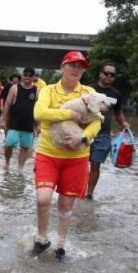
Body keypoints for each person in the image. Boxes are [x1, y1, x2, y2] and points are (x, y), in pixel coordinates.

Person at [31, 51, 100, 261]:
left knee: (65, 205)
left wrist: (84, 138)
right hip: (47, 153)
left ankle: (60, 245)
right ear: (63, 67)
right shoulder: (49, 90)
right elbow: (39, 113)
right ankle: (41, 239)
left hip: (77, 157)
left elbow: (97, 121)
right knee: (43, 199)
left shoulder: (89, 92)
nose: (76, 69)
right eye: (73, 65)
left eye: (81, 66)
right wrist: (69, 114)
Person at [85, 61, 130, 200]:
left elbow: (118, 112)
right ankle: (77, 189)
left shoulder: (116, 94)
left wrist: (123, 123)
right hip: (84, 131)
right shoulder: (89, 90)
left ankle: (89, 194)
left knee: (96, 163)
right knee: (79, 162)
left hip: (103, 134)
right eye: (106, 73)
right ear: (100, 74)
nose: (109, 76)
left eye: (112, 75)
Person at [1, 67, 39, 171]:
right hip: (14, 123)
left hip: (28, 124)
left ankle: (20, 169)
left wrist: (38, 125)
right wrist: (3, 120)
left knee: (25, 147)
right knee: (9, 144)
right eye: (25, 75)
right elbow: (7, 105)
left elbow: (38, 109)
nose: (27, 77)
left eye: (30, 75)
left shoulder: (37, 90)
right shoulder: (14, 88)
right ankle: (7, 162)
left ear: (33, 77)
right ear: (23, 76)